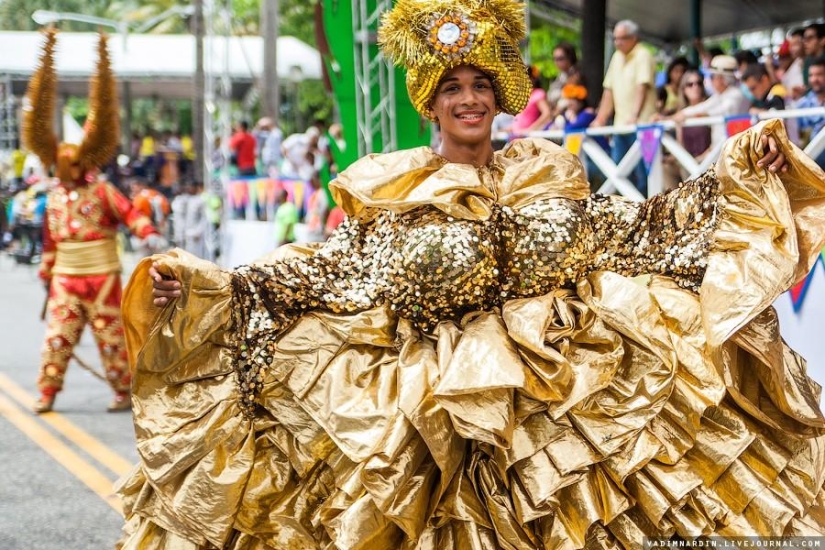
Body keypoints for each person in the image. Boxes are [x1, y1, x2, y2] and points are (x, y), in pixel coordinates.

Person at [118, 0, 825, 547]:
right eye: (452, 86)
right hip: (442, 407)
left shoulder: (544, 173)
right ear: (430, 101)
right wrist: (208, 286)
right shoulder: (393, 193)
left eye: (481, 84)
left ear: (499, 94)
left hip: (555, 394)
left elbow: (639, 229)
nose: (469, 99)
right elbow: (322, 270)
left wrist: (739, 169)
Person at [23, 31, 165, 414]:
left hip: (102, 276)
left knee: (112, 338)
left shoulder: (102, 191)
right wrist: (46, 271)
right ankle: (47, 392)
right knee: (57, 338)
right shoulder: (54, 196)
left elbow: (130, 213)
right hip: (66, 279)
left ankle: (123, 391)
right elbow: (50, 240)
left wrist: (148, 232)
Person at [593, 19, 658, 195]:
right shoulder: (616, 57)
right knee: (617, 173)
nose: (617, 42)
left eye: (622, 38)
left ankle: (646, 208)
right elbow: (609, 91)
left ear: (634, 38)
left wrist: (634, 115)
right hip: (620, 126)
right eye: (615, 38)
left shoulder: (643, 54)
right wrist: (600, 119)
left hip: (642, 125)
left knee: (644, 176)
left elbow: (641, 86)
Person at [672, 55, 750, 151]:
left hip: (735, 150)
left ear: (722, 79)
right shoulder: (720, 95)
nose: (711, 80)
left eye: (712, 76)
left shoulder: (736, 95)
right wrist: (681, 114)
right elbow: (703, 107)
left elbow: (715, 111)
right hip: (723, 150)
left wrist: (688, 115)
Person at [511, 66, 554, 134]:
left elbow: (547, 114)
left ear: (531, 79)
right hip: (517, 136)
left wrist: (530, 129)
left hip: (530, 137)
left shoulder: (538, 94)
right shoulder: (521, 97)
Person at [170, 180, 207, 258]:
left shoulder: (200, 200)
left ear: (196, 188)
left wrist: (198, 231)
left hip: (193, 234)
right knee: (181, 257)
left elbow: (204, 218)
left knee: (193, 257)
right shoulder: (181, 199)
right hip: (182, 234)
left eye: (191, 186)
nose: (189, 188)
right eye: (187, 186)